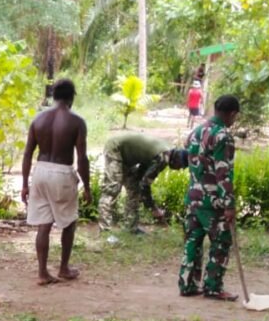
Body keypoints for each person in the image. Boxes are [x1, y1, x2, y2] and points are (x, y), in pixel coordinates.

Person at [21, 78, 91, 284]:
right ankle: (63, 268)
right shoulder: (76, 122)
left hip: (40, 171)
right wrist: (87, 186)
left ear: (54, 96)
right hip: (62, 172)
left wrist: (25, 183)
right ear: (71, 98)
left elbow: (27, 154)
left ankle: (42, 272)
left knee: (44, 223)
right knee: (69, 221)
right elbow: (82, 158)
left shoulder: (38, 120)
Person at [179, 94, 241, 300]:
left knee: (193, 241)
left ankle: (187, 284)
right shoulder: (223, 136)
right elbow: (224, 173)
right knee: (221, 242)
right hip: (212, 202)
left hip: (193, 198)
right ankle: (213, 287)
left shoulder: (195, 132)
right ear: (232, 114)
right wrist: (229, 204)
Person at [98, 132, 169, 234]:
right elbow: (145, 186)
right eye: (180, 165)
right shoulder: (163, 158)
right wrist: (153, 208)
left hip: (126, 156)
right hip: (115, 148)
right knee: (112, 189)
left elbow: (141, 177)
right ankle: (105, 231)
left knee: (135, 189)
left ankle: (131, 227)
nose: (179, 168)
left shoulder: (166, 152)